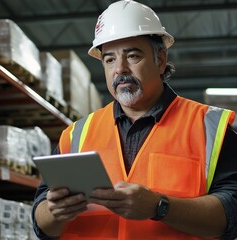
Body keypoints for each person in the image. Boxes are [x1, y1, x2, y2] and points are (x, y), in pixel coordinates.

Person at [31, 1, 237, 239]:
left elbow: (232, 213)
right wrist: (55, 212)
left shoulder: (209, 126)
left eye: (133, 56)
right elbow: (41, 218)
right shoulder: (77, 134)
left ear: (160, 60)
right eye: (109, 60)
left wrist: (159, 207)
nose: (120, 69)